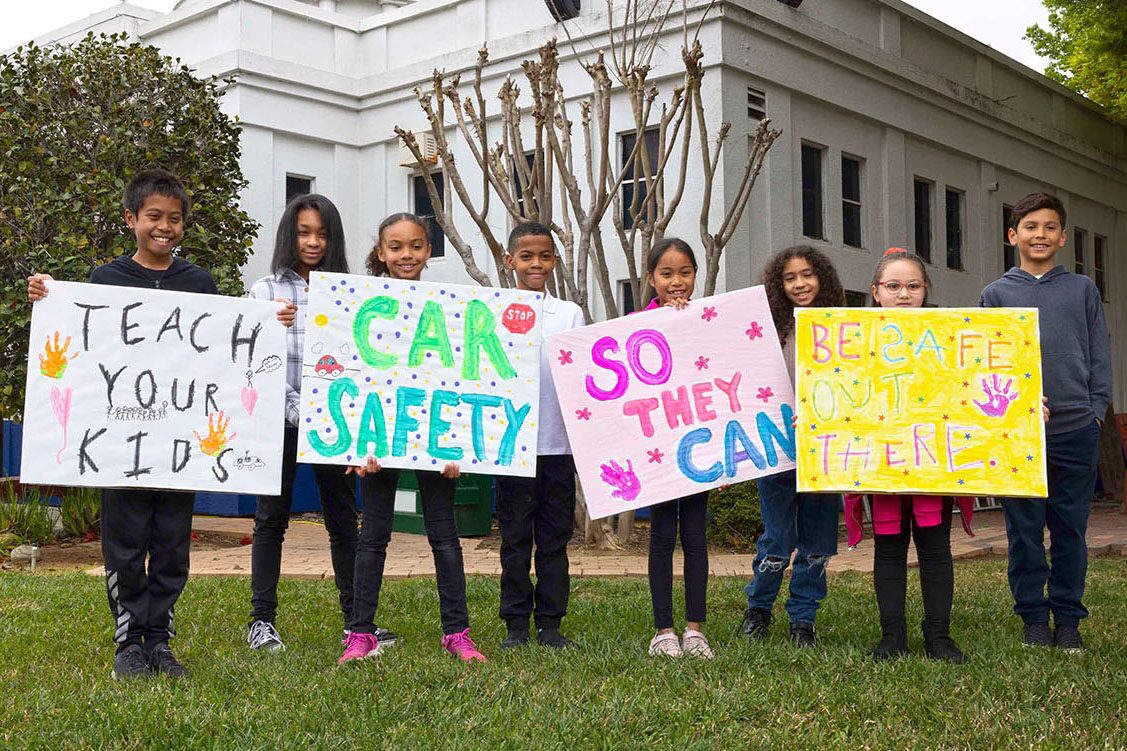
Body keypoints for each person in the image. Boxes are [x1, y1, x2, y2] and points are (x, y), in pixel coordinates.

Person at [27, 169, 291, 680]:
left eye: (174, 219)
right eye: (153, 217)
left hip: (180, 447)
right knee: (125, 546)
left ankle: (160, 641)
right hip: (119, 445)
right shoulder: (105, 281)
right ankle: (128, 641)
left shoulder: (199, 285)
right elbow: (81, 348)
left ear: (183, 226)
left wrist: (269, 326)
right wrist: (46, 296)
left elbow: (223, 351)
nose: (164, 227)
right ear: (131, 219)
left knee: (171, 545)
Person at [245, 194, 395, 653]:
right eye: (304, 232)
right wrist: (266, 327)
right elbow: (249, 361)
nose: (313, 242)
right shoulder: (264, 291)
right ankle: (261, 622)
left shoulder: (352, 292)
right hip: (281, 422)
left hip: (335, 425)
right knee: (271, 520)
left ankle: (357, 620)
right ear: (289, 235)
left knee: (343, 520)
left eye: (322, 233)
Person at [338, 213, 485, 665]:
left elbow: (464, 377)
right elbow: (349, 370)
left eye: (417, 246)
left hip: (437, 441)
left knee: (445, 536)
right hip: (377, 441)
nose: (407, 255)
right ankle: (361, 633)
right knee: (373, 536)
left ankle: (456, 632)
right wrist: (354, 445)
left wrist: (458, 445)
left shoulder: (450, 306)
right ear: (381, 252)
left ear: (428, 251)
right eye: (397, 247)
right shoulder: (359, 303)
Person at [979, 192, 1111, 653]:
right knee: (1025, 531)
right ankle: (1033, 617)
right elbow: (987, 366)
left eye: (1050, 227)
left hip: (1076, 427)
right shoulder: (995, 294)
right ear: (1012, 236)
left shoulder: (1082, 290)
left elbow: (1099, 353)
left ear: (1061, 236)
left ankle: (1069, 619)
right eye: (1031, 226)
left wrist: (1096, 410)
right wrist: (1007, 416)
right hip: (1019, 433)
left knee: (1071, 529)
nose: (1040, 235)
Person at [842, 248, 975, 663]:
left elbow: (975, 388)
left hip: (933, 460)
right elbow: (839, 393)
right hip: (882, 463)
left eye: (913, 286)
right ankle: (892, 637)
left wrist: (1022, 405)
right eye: (894, 286)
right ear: (876, 292)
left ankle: (939, 637)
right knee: (889, 548)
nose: (904, 294)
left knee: (936, 548)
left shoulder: (950, 337)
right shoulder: (852, 340)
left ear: (926, 290)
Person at [740, 245, 844, 648]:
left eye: (808, 274)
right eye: (789, 277)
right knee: (777, 539)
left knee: (818, 541)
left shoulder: (842, 328)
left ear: (823, 278)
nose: (800, 283)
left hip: (825, 450)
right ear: (777, 285)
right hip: (776, 448)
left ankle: (803, 618)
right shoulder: (764, 329)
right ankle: (759, 609)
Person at [496, 223, 585, 651]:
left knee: (554, 540)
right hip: (511, 448)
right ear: (509, 260)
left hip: (558, 446)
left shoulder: (568, 314)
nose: (536, 264)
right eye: (526, 256)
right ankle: (515, 622)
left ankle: (550, 622)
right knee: (514, 541)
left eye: (544, 256)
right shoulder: (491, 311)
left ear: (554, 260)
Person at [635, 238, 714, 659]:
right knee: (663, 537)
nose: (677, 281)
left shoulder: (708, 322)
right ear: (651, 279)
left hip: (700, 452)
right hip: (659, 456)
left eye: (685, 272)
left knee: (697, 537)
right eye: (666, 274)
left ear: (695, 275)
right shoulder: (633, 326)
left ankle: (695, 630)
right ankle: (663, 630)